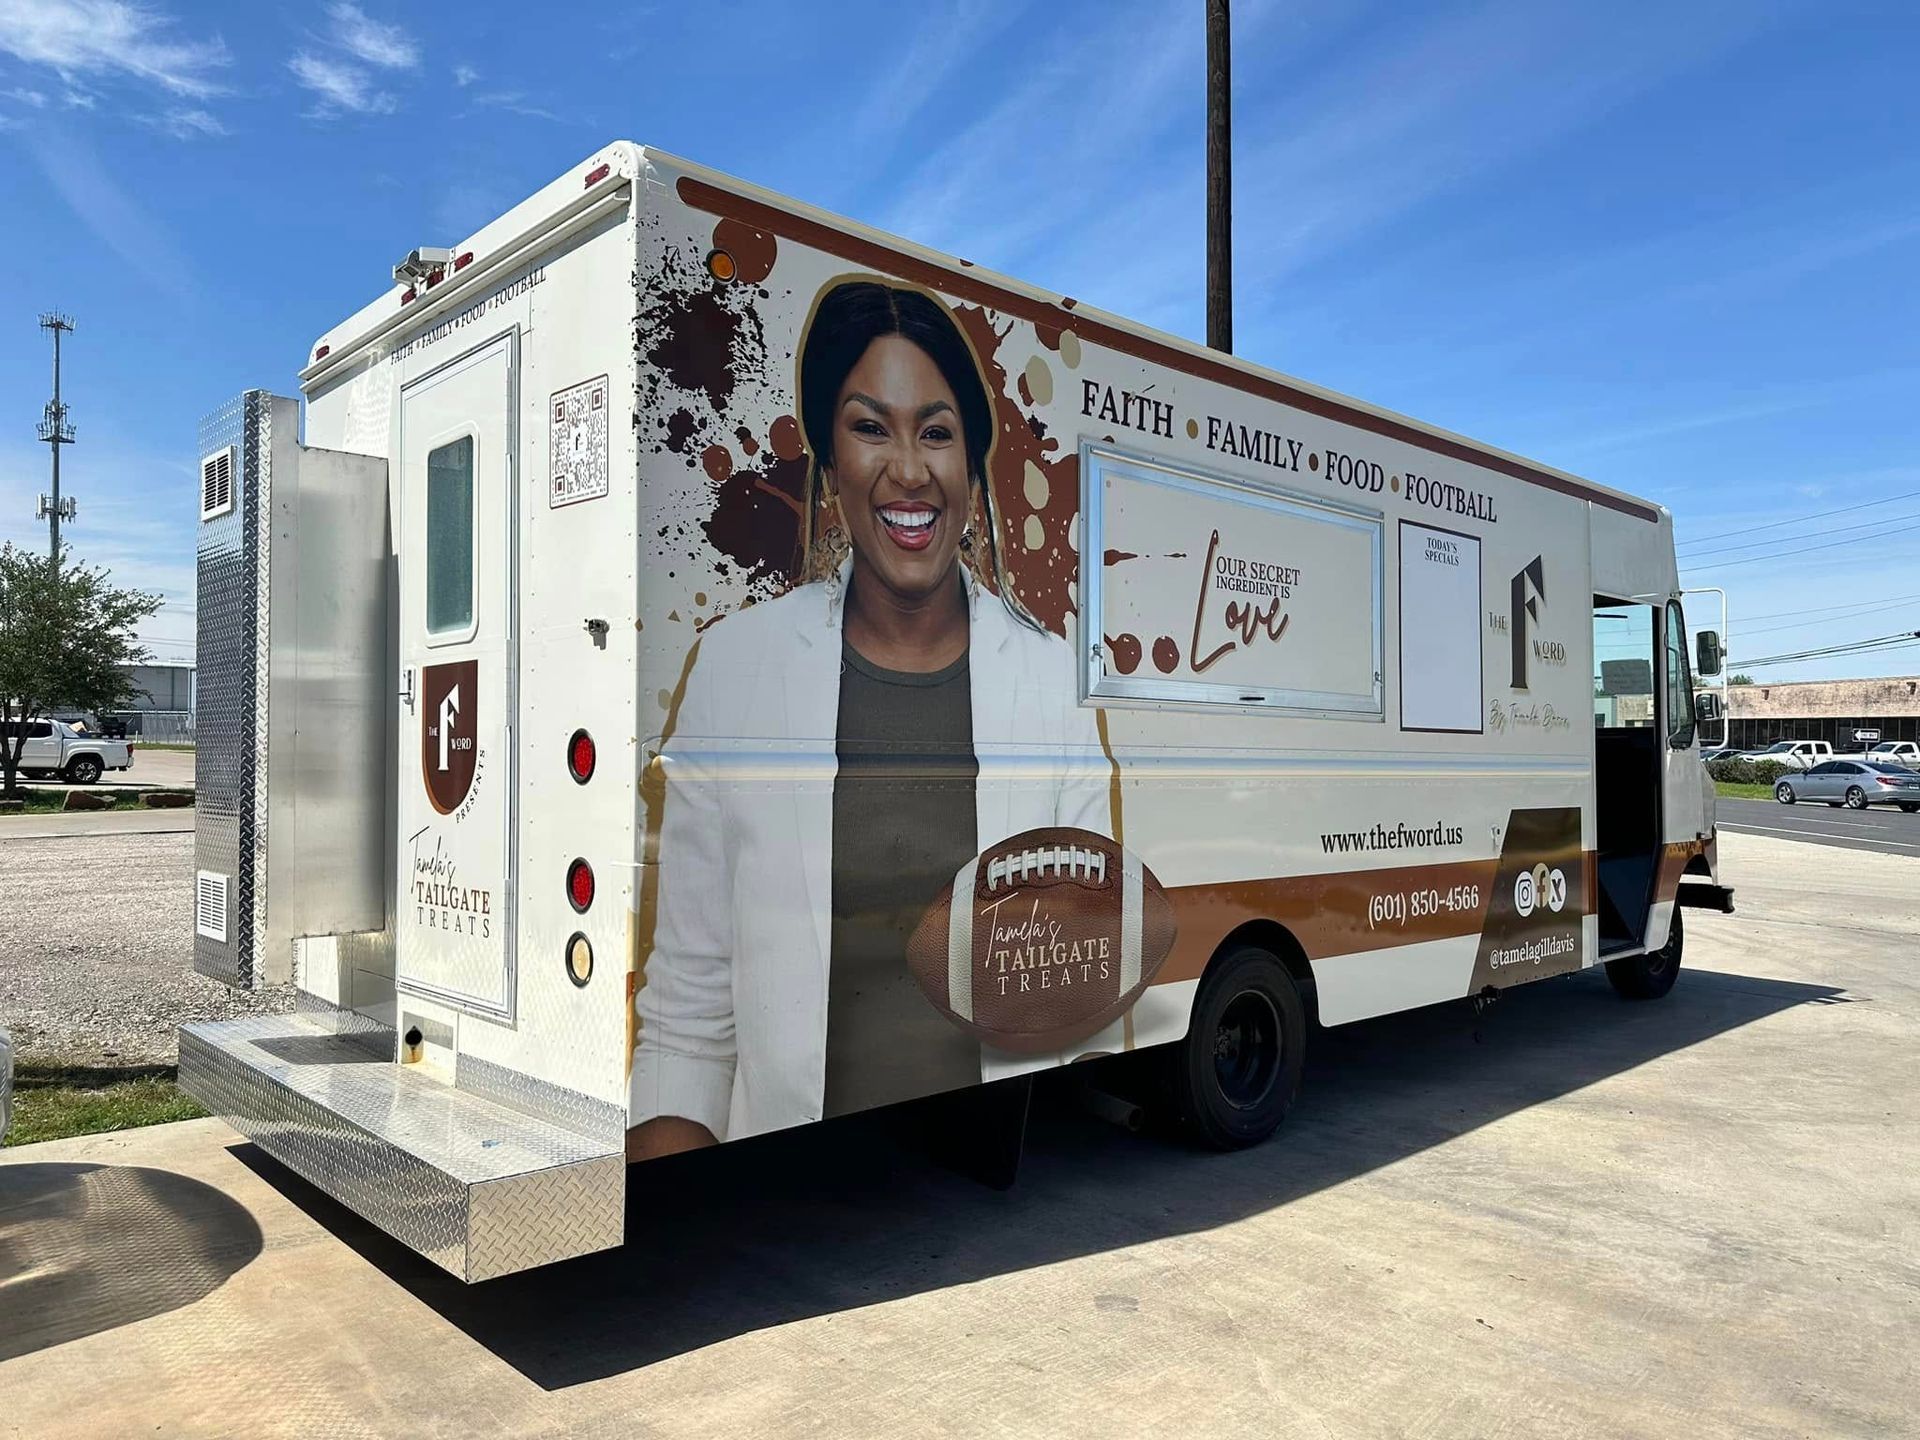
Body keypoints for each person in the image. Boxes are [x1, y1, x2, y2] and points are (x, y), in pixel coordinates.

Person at [629, 278, 1114, 1159]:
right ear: (829, 464)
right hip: (792, 1201)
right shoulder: (736, 672)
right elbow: (688, 1026)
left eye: (936, 431)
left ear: (971, 464)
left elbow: (1082, 998)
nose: (909, 469)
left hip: (996, 1185)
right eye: (870, 427)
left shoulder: (1053, 685)